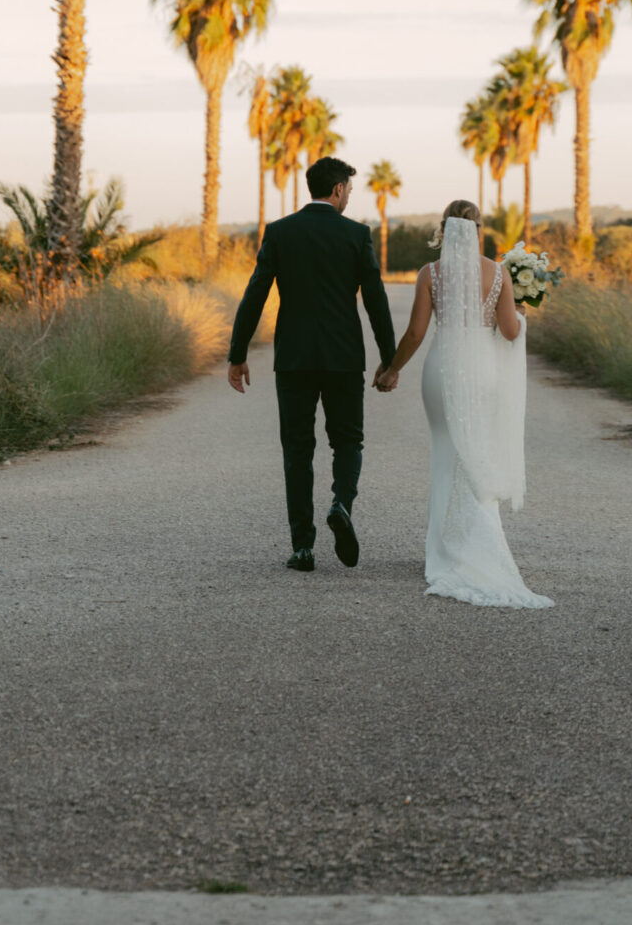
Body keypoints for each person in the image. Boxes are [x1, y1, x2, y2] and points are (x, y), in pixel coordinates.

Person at [375, 200, 552, 609]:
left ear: (443, 229)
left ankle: (446, 544)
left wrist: (390, 369)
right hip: (484, 371)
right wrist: (521, 312)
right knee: (477, 450)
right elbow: (509, 332)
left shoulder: (430, 273)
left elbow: (417, 333)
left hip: (443, 370)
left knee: (446, 450)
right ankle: (470, 539)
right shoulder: (499, 272)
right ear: (478, 229)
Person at [228, 156, 396, 573]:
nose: (349, 198)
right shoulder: (356, 235)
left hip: (294, 359)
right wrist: (389, 359)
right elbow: (375, 299)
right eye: (350, 191)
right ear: (338, 189)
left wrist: (238, 353)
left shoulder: (281, 232)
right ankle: (341, 503)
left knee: (297, 452)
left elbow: (256, 294)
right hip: (343, 358)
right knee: (349, 441)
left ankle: (303, 548)